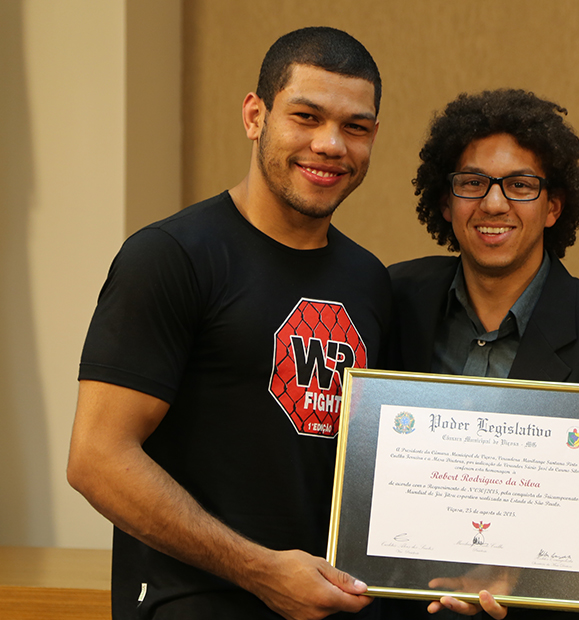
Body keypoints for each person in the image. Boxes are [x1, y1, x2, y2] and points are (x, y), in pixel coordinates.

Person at [67, 27, 390, 620]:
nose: (330, 144)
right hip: (192, 604)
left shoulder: (370, 282)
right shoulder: (171, 256)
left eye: (355, 127)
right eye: (306, 116)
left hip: (327, 607)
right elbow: (96, 458)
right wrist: (260, 571)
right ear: (254, 115)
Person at [387, 90, 579, 619]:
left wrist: (517, 575)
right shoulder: (391, 300)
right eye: (472, 183)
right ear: (446, 202)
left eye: (520, 185)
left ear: (553, 207)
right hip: (407, 604)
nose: (493, 204)